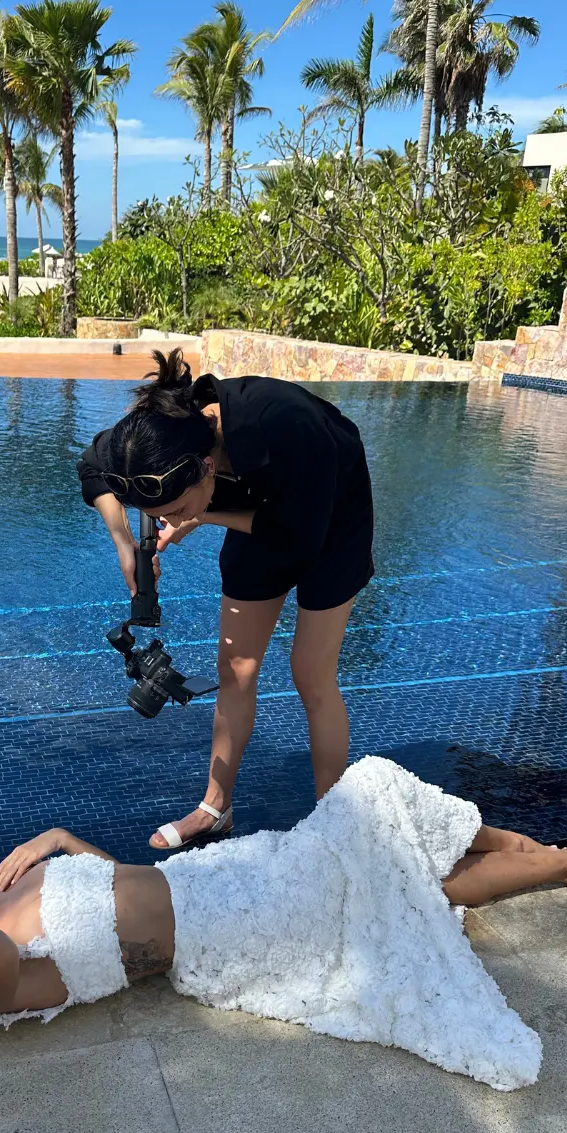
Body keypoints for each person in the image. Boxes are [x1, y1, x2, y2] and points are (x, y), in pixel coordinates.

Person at [0, 756, 567, 1092]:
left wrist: (55, 838)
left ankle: (546, 856)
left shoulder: (7, 890)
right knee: (372, 821)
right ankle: (552, 860)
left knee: (385, 865)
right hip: (228, 935)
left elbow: (111, 875)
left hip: (213, 875)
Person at [77, 349, 374, 853]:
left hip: (331, 518)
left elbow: (297, 537)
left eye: (174, 510)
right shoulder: (152, 440)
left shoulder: (286, 425)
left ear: (206, 468)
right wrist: (125, 540)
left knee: (310, 671)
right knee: (236, 666)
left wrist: (203, 517)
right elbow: (91, 468)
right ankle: (216, 808)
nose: (168, 521)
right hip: (251, 507)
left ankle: (334, 821)